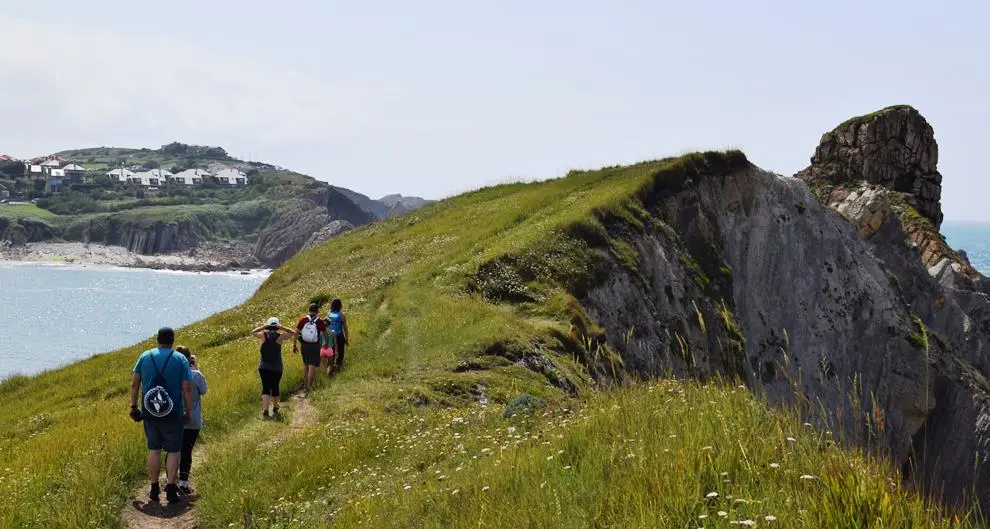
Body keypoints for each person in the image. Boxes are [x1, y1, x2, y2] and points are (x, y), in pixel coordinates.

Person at [129, 327, 193, 504]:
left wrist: (134, 407)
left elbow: (134, 384)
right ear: (173, 340)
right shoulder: (180, 359)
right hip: (173, 413)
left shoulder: (145, 356)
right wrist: (189, 411)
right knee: (173, 450)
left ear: (157, 339)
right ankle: (171, 488)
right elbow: (187, 388)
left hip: (150, 413)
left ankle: (154, 487)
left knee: (154, 449)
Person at [175, 346, 207, 495]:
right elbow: (204, 390)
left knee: (173, 450)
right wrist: (197, 368)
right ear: (189, 359)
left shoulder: (172, 375)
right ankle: (183, 483)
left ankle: (170, 481)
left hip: (174, 418)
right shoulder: (196, 374)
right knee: (187, 450)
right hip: (193, 419)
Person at [251, 317, 297, 418]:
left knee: (266, 388)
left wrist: (263, 326)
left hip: (263, 366)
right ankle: (275, 407)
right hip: (277, 367)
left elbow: (253, 332)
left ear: (268, 326)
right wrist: (282, 327)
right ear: (277, 326)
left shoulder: (263, 335)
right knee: (275, 387)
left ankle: (265, 410)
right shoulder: (280, 337)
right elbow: (293, 332)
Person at [295, 303, 329, 394]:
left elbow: (296, 332)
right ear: (317, 311)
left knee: (305, 365)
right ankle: (309, 387)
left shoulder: (303, 320)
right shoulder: (320, 321)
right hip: (314, 346)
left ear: (309, 310)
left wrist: (294, 344)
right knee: (312, 366)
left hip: (304, 345)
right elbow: (325, 333)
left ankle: (305, 386)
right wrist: (327, 343)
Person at [325, 298, 350, 375]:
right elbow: (345, 328)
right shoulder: (341, 315)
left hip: (329, 336)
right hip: (339, 336)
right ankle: (338, 369)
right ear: (340, 306)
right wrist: (346, 339)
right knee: (340, 353)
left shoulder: (328, 314)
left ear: (332, 305)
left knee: (331, 354)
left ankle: (330, 369)